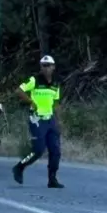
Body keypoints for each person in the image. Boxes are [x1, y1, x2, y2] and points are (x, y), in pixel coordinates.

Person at [12, 55, 64, 188]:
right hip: (37, 118)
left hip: (50, 119)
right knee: (38, 150)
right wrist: (30, 102)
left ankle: (52, 179)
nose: (46, 68)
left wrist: (58, 120)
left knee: (56, 151)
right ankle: (20, 167)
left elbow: (56, 103)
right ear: (41, 67)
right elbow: (19, 91)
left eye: (48, 65)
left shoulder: (56, 83)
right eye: (43, 66)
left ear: (53, 67)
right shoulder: (34, 80)